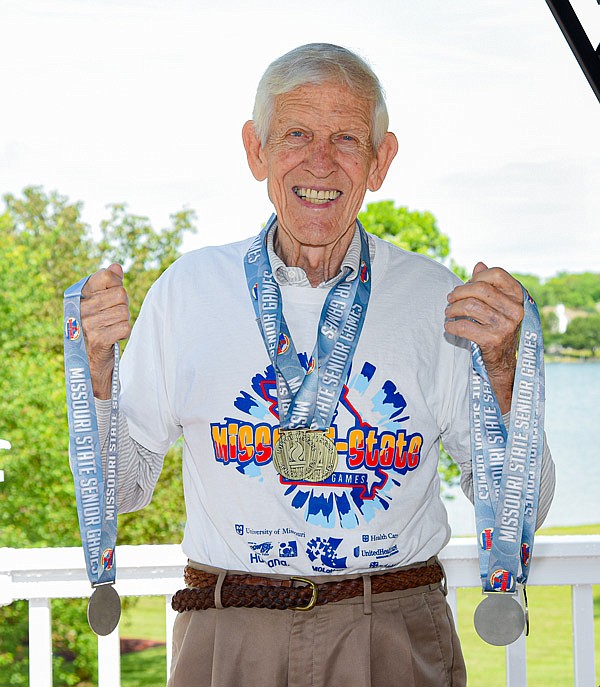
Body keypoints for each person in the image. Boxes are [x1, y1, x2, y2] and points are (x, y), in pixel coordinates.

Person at [80, 43, 554, 686]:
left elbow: (522, 507)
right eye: (296, 134)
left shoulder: (437, 300)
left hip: (392, 628)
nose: (320, 161)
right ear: (256, 149)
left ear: (381, 160)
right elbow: (125, 489)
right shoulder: (185, 291)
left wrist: (505, 376)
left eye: (348, 139)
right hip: (230, 630)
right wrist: (97, 377)